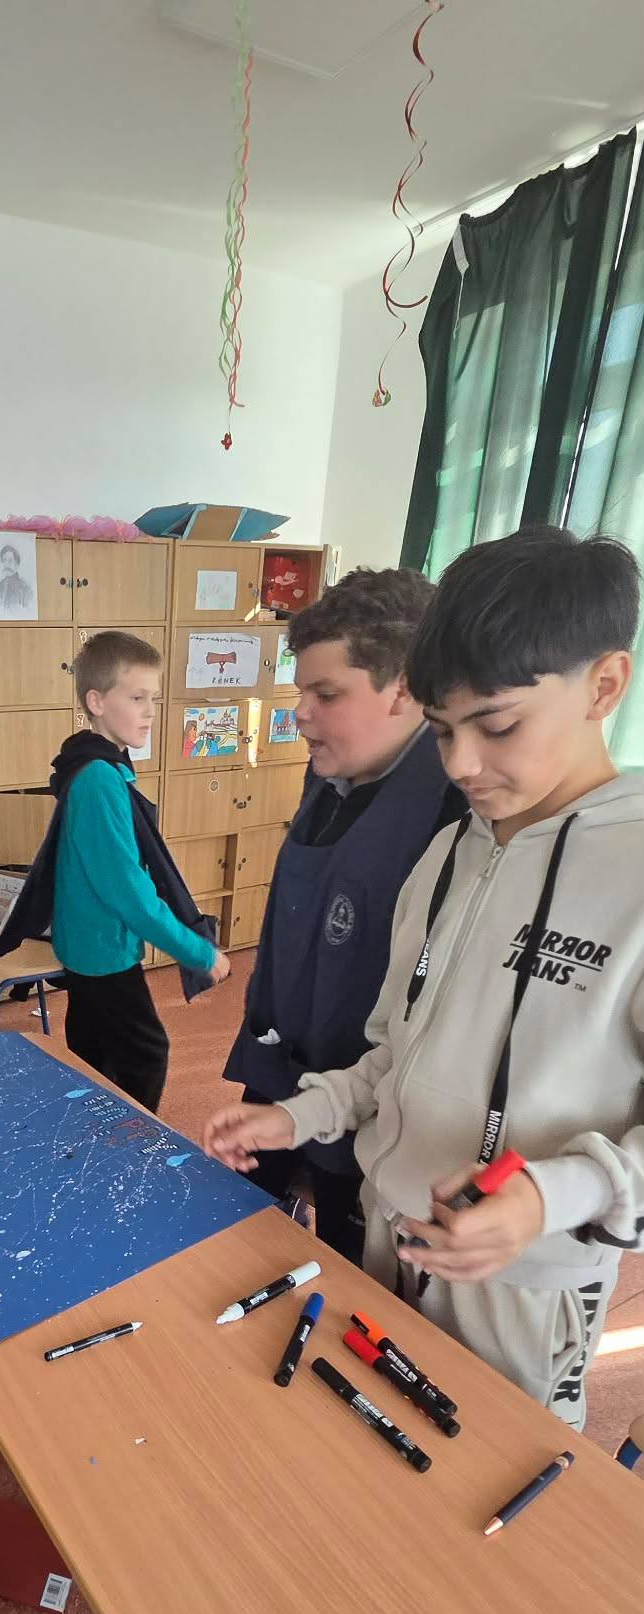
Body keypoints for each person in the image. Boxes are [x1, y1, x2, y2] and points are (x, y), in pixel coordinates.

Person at [205, 527, 644, 1427]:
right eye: (443, 730)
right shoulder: (447, 852)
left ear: (604, 686)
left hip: (522, 1286)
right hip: (384, 1235)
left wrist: (547, 1195)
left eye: (497, 724)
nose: (459, 765)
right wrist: (302, 1114)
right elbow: (391, 1056)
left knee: (481, 1484)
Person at [222, 567, 465, 1261]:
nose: (300, 713)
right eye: (300, 692)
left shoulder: (453, 808)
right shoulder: (329, 773)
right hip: (282, 1066)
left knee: (343, 1266)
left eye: (326, 695)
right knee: (238, 1232)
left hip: (365, 1102)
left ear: (405, 689)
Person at [0, 630, 230, 1110]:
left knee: (93, 1053)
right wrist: (198, 952)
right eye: (137, 698)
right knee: (146, 1054)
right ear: (96, 702)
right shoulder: (99, 780)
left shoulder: (97, 765)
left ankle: (89, 1129)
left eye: (153, 699)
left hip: (87, 943)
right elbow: (129, 892)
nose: (150, 712)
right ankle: (130, 1142)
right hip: (103, 951)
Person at [0, 543, 34, 617]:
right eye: (4, 560)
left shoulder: (24, 588)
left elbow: (27, 613)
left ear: (16, 565)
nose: (6, 565)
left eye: (10, 561)